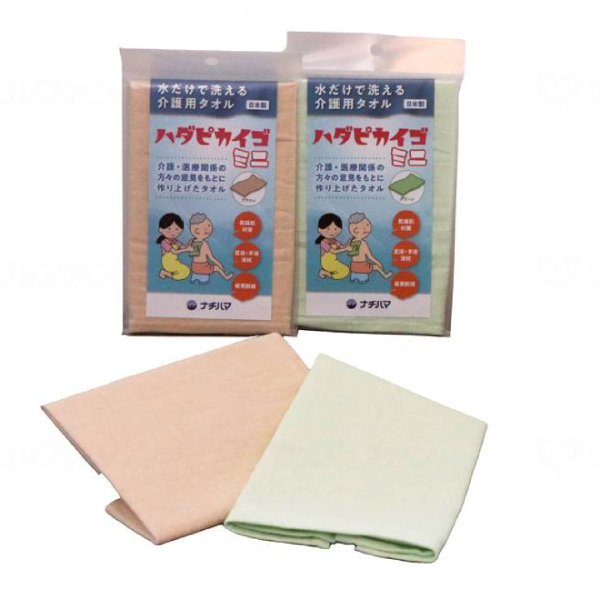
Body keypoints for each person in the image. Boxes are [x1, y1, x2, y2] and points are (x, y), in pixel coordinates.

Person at [186, 213, 233, 284]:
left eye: (209, 225)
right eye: (207, 226)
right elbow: (211, 258)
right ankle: (226, 277)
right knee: (217, 268)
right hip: (203, 267)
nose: (210, 229)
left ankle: (194, 278)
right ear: (197, 231)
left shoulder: (191, 241)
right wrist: (219, 264)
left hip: (194, 267)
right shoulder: (204, 244)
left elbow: (185, 248)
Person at [346, 212, 392, 283]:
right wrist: (378, 263)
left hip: (353, 267)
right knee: (376, 267)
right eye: (366, 225)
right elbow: (370, 257)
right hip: (362, 267)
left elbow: (345, 248)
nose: (369, 228)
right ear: (356, 230)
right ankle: (385, 275)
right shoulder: (363, 243)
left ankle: (354, 278)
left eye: (368, 224)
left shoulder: (351, 241)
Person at [315, 213, 350, 280]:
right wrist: (346, 249)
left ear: (340, 229)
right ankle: (324, 272)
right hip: (327, 263)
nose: (332, 232)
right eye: (328, 229)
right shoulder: (323, 242)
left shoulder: (334, 240)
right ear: (320, 229)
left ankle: (327, 272)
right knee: (343, 272)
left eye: (335, 229)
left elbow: (342, 246)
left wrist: (348, 243)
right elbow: (333, 251)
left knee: (346, 269)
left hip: (334, 261)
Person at [156, 213, 191, 280]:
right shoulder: (164, 242)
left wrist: (190, 243)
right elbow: (175, 252)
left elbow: (183, 246)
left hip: (176, 262)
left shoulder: (175, 241)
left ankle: (169, 273)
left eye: (176, 229)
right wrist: (187, 249)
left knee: (187, 270)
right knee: (182, 274)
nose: (173, 232)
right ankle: (165, 273)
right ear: (161, 230)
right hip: (168, 264)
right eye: (169, 229)